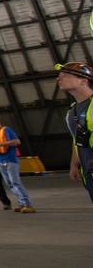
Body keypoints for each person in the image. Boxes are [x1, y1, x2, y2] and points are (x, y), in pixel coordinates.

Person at [55, 61, 93, 204]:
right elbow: (76, 140)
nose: (59, 78)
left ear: (84, 80)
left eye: (65, 75)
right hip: (88, 172)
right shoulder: (72, 112)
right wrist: (74, 165)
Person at [0, 115, 35, 212]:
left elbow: (17, 141)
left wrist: (0, 144)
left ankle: (28, 204)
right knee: (10, 183)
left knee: (15, 182)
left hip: (10, 159)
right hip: (0, 160)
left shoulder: (6, 130)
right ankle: (21, 203)